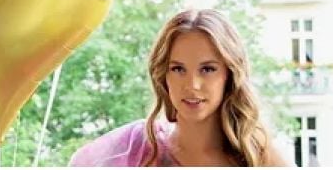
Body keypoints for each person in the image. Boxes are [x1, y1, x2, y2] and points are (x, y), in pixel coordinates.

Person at [69, 9, 288, 167]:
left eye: (208, 69)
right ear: (163, 75)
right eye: (178, 69)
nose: (192, 85)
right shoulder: (133, 149)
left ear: (229, 74)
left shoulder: (259, 159)